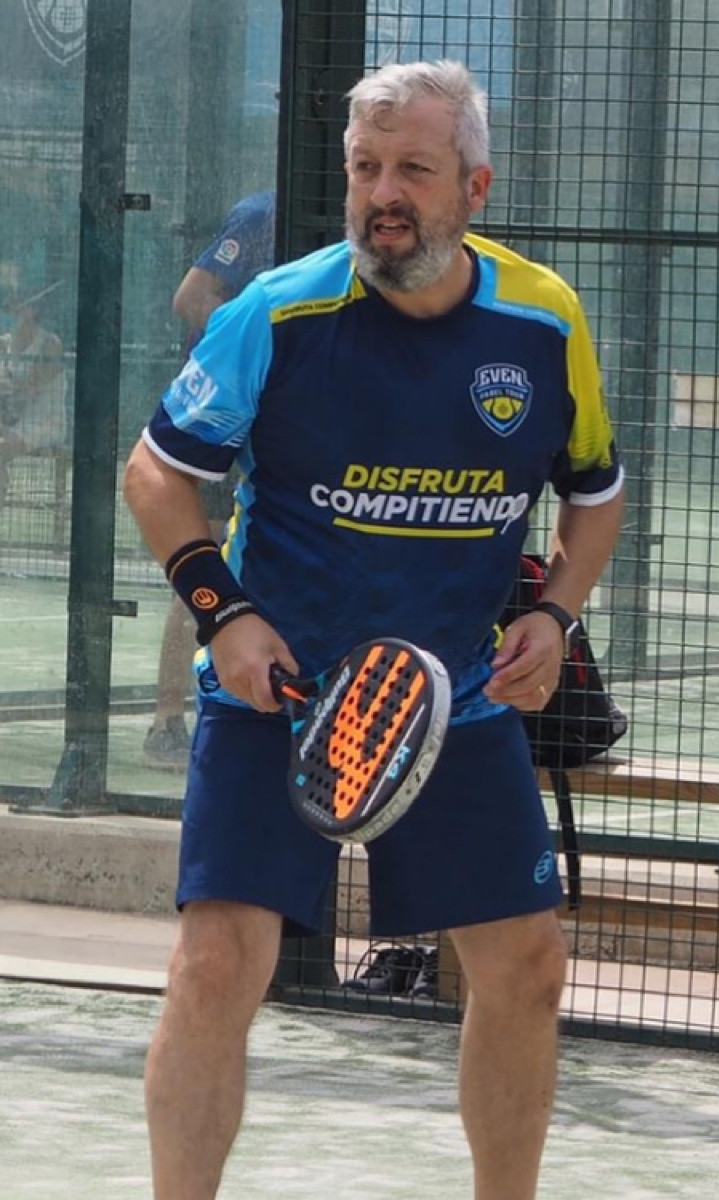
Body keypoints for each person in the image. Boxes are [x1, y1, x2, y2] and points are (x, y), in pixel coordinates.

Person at [122, 59, 624, 1200]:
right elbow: (155, 471)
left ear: (475, 188)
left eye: (413, 170)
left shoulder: (544, 320)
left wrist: (554, 617)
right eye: (365, 168)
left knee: (527, 964)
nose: (383, 194)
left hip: (458, 701)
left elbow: (595, 495)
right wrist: (226, 618)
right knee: (217, 963)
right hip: (276, 698)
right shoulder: (276, 313)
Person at [143, 191, 276, 769]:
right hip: (227, 419)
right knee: (206, 562)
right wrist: (254, 346)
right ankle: (167, 722)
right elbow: (191, 297)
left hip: (283, 429)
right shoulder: (261, 213)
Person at [0, 277, 68, 506]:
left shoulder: (51, 344)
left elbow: (31, 384)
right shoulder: (5, 342)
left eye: (20, 302)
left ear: (34, 310)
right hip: (15, 418)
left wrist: (9, 386)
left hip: (45, 421)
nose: (13, 306)